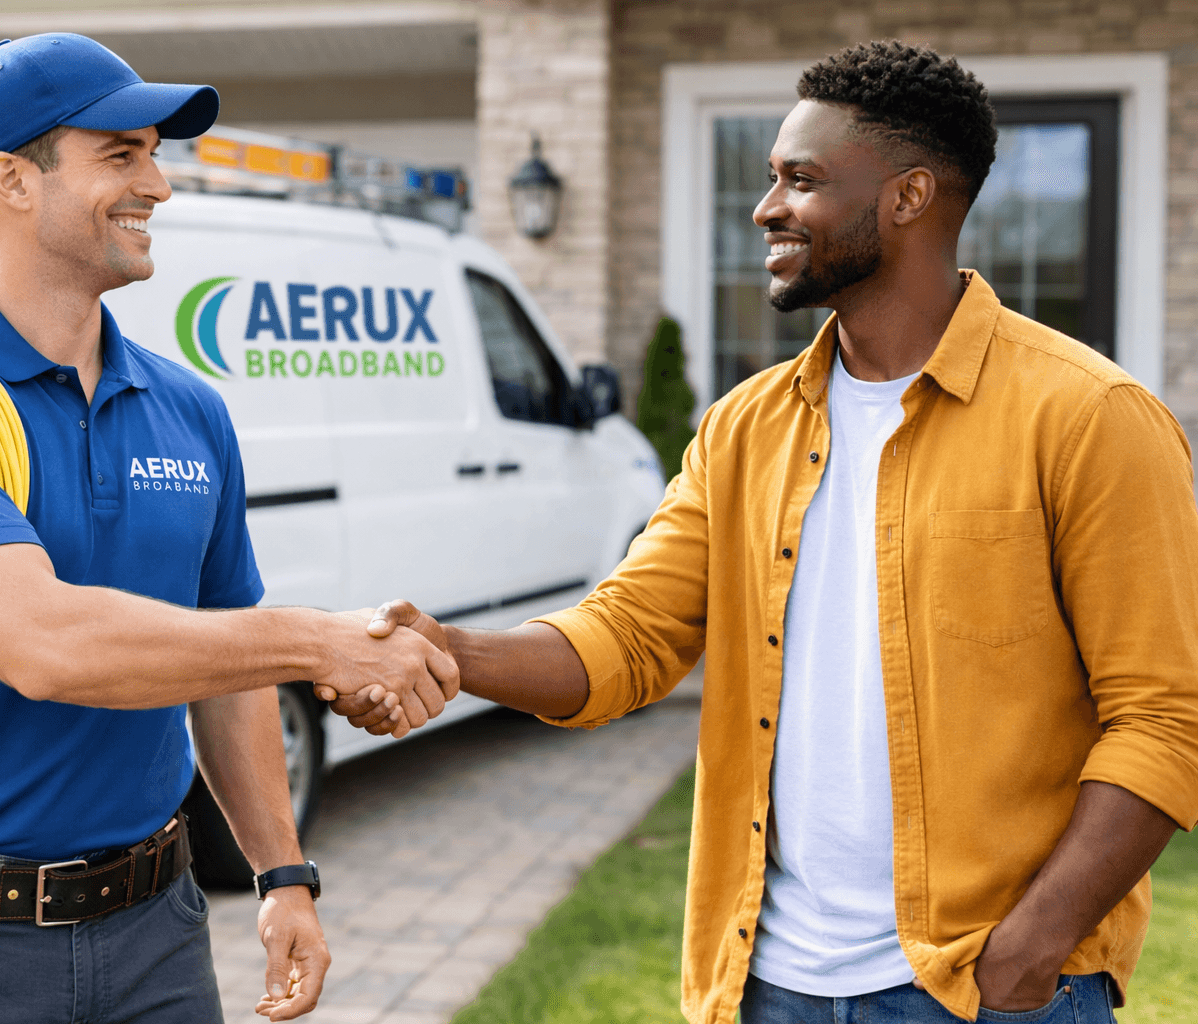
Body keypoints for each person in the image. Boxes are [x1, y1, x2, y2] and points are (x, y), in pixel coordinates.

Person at [328, 40, 1198, 1024]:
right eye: (770, 177)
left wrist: (1029, 953)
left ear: (910, 196)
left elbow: (1165, 719)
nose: (766, 208)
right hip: (765, 983)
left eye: (801, 180)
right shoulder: (746, 426)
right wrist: (454, 652)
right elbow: (631, 633)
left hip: (978, 991)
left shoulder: (1090, 417)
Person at [0, 33, 457, 1024]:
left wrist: (283, 872)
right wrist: (321, 637)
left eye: (155, 153)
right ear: (13, 180)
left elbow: (224, 668)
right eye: (121, 154)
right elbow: (46, 644)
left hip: (157, 929)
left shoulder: (187, 408)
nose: (158, 183)